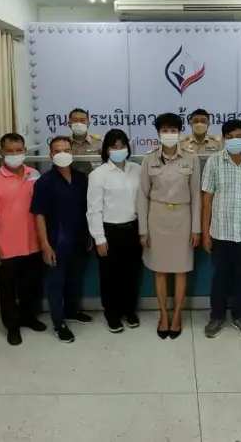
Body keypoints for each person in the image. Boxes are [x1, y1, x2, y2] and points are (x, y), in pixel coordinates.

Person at [201, 119, 241, 340]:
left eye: (238, 136)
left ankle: (240, 316)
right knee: (220, 277)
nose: (234, 140)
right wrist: (205, 233)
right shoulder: (214, 162)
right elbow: (207, 200)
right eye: (229, 137)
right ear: (224, 139)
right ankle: (216, 316)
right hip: (221, 232)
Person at [138, 113, 202, 339]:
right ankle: (163, 315)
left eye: (173, 130)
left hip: (183, 219)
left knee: (181, 269)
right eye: (164, 130)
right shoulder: (149, 159)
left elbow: (196, 195)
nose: (169, 134)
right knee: (160, 269)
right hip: (157, 219)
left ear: (179, 132)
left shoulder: (191, 158)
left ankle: (176, 316)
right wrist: (143, 230)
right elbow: (142, 196)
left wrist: (196, 229)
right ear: (158, 133)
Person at [0, 133, 47, 346]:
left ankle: (28, 317)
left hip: (33, 244)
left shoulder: (35, 175)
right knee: (8, 290)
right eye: (10, 151)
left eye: (18, 150)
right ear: (1, 153)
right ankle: (12, 326)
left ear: (24, 150)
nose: (15, 155)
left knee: (30, 286)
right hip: (6, 247)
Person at [32, 137, 94, 343]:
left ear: (72, 153)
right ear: (51, 155)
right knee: (56, 283)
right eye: (58, 151)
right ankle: (59, 323)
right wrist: (44, 244)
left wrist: (89, 235)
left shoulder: (81, 178)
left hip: (79, 238)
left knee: (75, 278)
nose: (63, 154)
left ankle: (71, 311)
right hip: (56, 241)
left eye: (66, 150)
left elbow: (87, 209)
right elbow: (39, 214)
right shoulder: (44, 182)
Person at [87, 129, 143, 333]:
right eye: (114, 146)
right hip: (109, 231)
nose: (119, 150)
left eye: (122, 146)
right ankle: (112, 314)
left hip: (133, 229)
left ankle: (129, 311)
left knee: (131, 274)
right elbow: (94, 209)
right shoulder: (98, 175)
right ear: (106, 149)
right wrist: (99, 238)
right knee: (110, 276)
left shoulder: (137, 169)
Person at [67, 107, 102, 173]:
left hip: (93, 177)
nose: (78, 123)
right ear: (69, 123)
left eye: (82, 120)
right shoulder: (64, 143)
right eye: (75, 120)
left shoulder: (98, 143)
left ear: (88, 124)